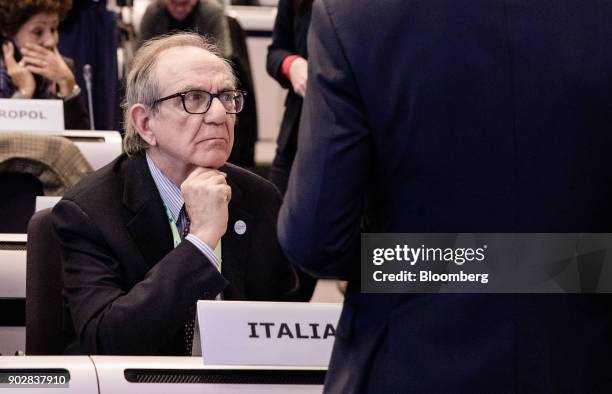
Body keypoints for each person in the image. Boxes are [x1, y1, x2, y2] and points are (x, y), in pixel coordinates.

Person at [279, 1, 612, 392]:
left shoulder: (355, 16)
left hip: (409, 356)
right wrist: (557, 263)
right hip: (582, 354)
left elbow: (316, 240)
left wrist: (427, 262)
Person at [52, 32, 299, 356]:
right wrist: (201, 241)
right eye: (194, 98)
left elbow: (286, 327)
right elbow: (107, 341)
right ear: (145, 123)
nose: (219, 115)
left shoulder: (260, 197)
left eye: (226, 97)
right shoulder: (89, 212)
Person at [139, 0, 258, 169]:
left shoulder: (211, 12)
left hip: (206, 79)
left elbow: (221, 60)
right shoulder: (153, 13)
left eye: (185, 4)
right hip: (167, 88)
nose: (180, 9)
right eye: (174, 4)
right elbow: (141, 62)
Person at [0, 0, 89, 130]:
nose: (50, 41)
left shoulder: (63, 70)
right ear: (9, 35)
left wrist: (67, 85)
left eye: (53, 29)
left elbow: (84, 146)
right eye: (38, 32)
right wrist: (23, 93)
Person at [266, 0, 311, 196]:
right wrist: (290, 64)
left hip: (350, 139)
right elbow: (275, 52)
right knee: (274, 216)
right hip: (295, 137)